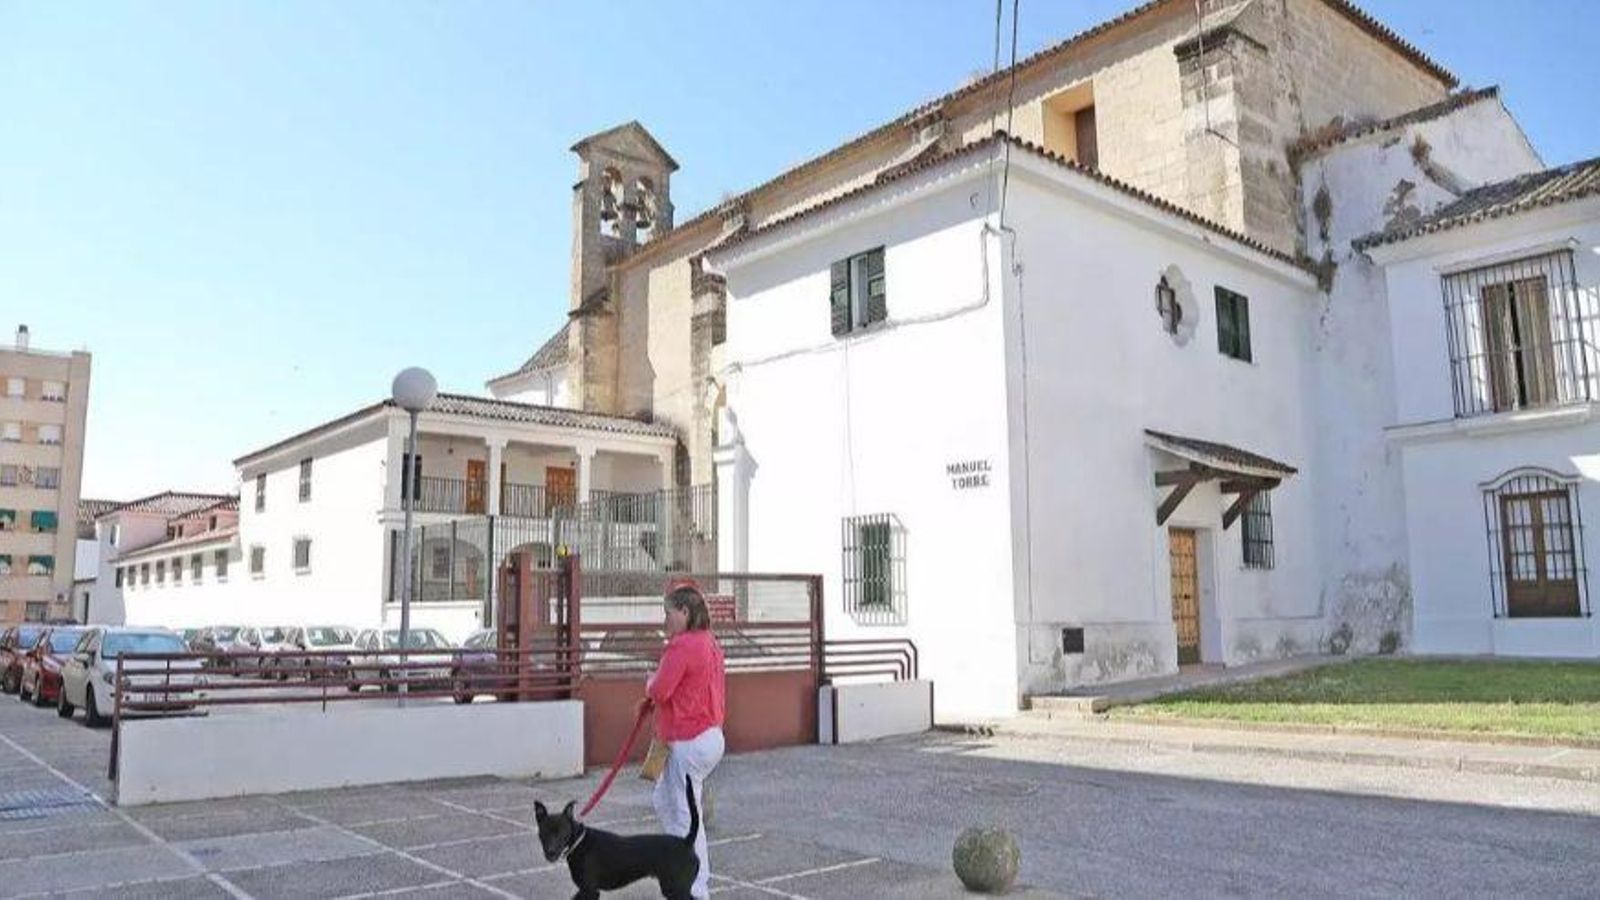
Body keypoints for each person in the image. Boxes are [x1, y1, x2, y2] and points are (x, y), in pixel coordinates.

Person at [641, 579, 726, 900]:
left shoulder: (683, 645)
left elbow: (661, 689)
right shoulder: (709, 642)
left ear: (685, 612)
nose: (665, 621)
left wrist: (649, 683)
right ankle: (686, 873)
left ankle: (693, 887)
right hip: (709, 736)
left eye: (669, 613)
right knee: (666, 801)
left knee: (682, 815)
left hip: (688, 739)